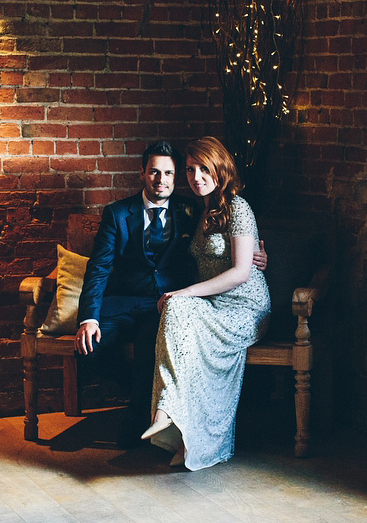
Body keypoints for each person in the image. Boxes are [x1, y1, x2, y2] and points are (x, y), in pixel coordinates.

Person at [74, 141, 265, 446]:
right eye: (154, 172)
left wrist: (257, 255)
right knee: (88, 348)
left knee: (152, 347)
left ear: (175, 178)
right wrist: (89, 318)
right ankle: (138, 399)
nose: (161, 180)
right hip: (123, 302)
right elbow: (98, 269)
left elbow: (229, 242)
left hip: (165, 304)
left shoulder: (190, 210)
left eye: (169, 173)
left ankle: (139, 420)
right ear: (142, 174)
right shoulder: (117, 213)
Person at [141, 136, 271, 470]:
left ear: (220, 168)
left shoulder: (238, 208)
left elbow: (242, 272)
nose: (196, 176)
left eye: (203, 168)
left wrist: (184, 292)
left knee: (178, 302)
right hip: (215, 305)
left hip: (246, 309)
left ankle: (175, 420)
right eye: (189, 169)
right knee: (175, 308)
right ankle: (173, 420)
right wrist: (181, 296)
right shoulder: (199, 211)